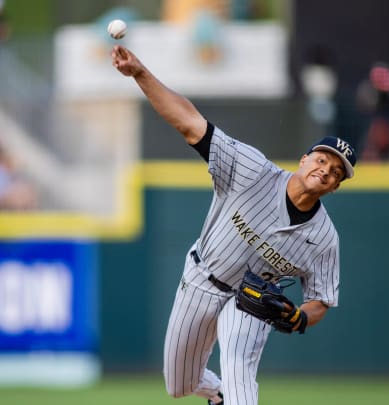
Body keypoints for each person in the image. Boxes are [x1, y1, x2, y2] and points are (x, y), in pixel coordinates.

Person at [111, 45, 356, 405]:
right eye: (322, 159)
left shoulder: (324, 238)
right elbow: (190, 123)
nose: (326, 170)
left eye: (336, 172)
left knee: (239, 365)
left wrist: (299, 318)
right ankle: (217, 394)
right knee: (179, 385)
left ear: (335, 187)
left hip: (251, 300)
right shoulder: (251, 169)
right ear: (304, 160)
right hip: (201, 278)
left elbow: (321, 300)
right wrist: (140, 74)